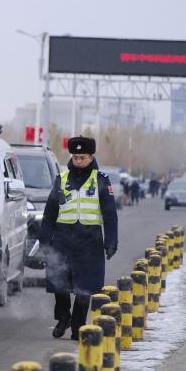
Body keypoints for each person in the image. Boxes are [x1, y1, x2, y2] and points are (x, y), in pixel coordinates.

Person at [38, 136, 118, 340]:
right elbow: (49, 215)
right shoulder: (61, 180)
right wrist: (44, 244)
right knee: (59, 285)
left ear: (91, 157)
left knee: (86, 289)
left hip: (89, 244)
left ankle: (78, 325)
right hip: (63, 242)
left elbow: (109, 214)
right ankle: (63, 316)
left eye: (82, 157)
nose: (78, 161)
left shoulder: (101, 180)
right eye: (75, 157)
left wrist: (111, 242)